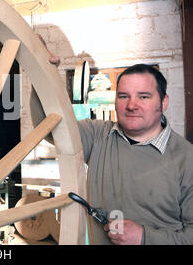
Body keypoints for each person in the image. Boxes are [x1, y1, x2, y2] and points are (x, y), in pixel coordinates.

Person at [77, 64, 193, 245]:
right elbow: (50, 125)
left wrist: (144, 237)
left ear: (164, 102)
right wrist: (45, 65)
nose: (131, 105)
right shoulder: (96, 136)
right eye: (123, 96)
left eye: (144, 96)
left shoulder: (187, 158)